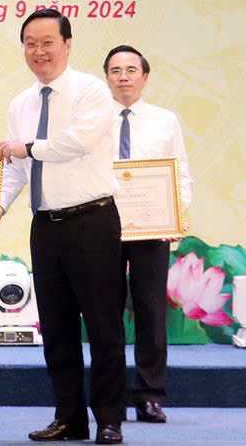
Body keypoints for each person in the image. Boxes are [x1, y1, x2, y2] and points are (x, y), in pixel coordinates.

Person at [0, 9, 126, 445]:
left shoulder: (91, 91)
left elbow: (77, 143)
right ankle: (69, 418)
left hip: (92, 221)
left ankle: (109, 420)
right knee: (57, 329)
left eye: (47, 42)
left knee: (103, 326)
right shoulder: (20, 104)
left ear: (67, 44)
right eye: (30, 43)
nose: (39, 51)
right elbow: (16, 169)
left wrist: (27, 147)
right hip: (46, 226)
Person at [104, 45, 193, 425]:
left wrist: (176, 216)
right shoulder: (92, 120)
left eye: (130, 70)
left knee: (151, 310)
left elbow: (180, 173)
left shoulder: (164, 120)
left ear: (145, 77)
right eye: (115, 70)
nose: (123, 76)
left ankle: (149, 396)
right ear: (106, 78)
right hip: (104, 226)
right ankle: (108, 396)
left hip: (153, 227)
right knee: (105, 312)